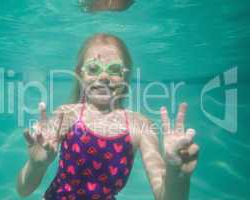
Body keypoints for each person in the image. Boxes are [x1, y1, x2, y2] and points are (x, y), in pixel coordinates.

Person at [16, 33, 199, 200]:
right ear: (81, 73)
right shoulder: (67, 115)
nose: (103, 76)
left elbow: (163, 196)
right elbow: (23, 190)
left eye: (114, 69)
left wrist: (177, 176)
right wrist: (36, 165)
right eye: (94, 68)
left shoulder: (139, 126)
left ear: (125, 76)